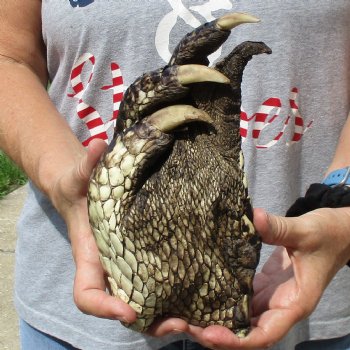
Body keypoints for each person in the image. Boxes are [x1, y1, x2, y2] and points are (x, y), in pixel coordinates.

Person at [0, 1, 350, 349]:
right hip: (77, 298)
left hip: (309, 291)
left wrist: (340, 198)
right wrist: (66, 183)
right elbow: (8, 56)